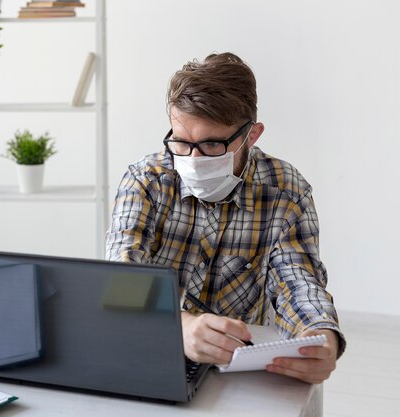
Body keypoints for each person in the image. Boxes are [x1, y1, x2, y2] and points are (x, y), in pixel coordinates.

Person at [105, 52, 345, 385]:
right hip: (149, 350)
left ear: (252, 135)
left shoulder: (286, 191)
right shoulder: (146, 181)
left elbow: (297, 282)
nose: (193, 158)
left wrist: (320, 336)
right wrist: (180, 326)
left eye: (212, 144)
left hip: (241, 361)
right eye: (181, 142)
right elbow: (124, 280)